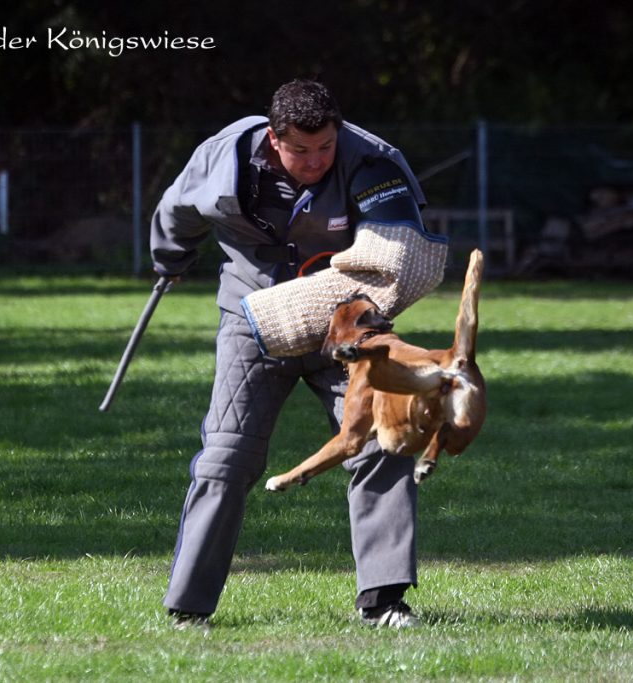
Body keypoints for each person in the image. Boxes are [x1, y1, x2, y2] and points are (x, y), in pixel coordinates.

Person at [151, 79, 433, 629]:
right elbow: (177, 207)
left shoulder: (373, 161)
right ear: (273, 138)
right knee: (226, 457)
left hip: (348, 324)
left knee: (383, 444)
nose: (314, 161)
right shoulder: (223, 157)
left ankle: (383, 603)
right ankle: (188, 608)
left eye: (325, 147)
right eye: (300, 150)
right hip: (251, 320)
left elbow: (398, 248)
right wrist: (171, 257)